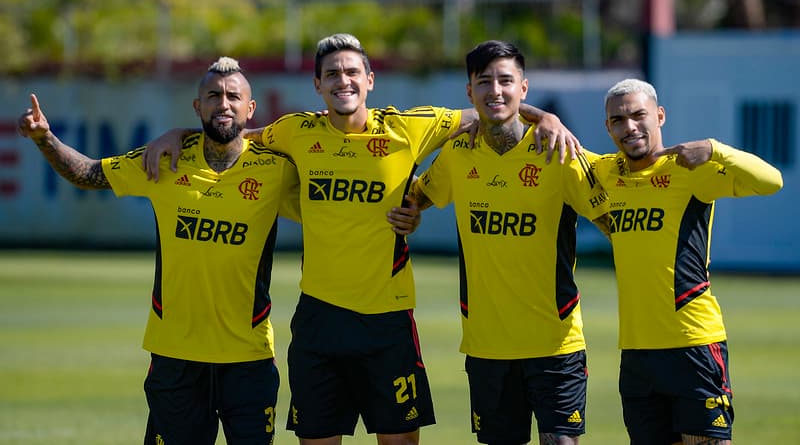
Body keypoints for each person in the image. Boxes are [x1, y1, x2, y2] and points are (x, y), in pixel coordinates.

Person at [142, 33, 581, 445]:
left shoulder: (409, 127)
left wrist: (544, 116)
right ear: (317, 84)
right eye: (331, 73)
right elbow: (234, 134)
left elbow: (493, 108)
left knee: (399, 439)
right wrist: (179, 133)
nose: (342, 80)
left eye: (351, 71)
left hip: (387, 321)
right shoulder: (296, 131)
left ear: (370, 80)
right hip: (319, 320)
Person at [17, 57, 303, 445]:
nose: (224, 104)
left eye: (234, 96)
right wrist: (44, 138)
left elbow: (334, 194)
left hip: (248, 358)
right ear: (197, 106)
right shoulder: (164, 160)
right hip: (175, 356)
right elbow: (88, 172)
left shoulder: (277, 170)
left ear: (250, 108)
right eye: (213, 96)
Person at [406, 40, 609, 445]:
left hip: (556, 341)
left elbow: (613, 222)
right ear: (469, 92)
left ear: (524, 88)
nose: (495, 91)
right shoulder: (457, 154)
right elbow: (419, 196)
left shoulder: (559, 151)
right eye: (484, 82)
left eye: (505, 81)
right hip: (487, 344)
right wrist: (407, 211)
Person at [593, 78, 783, 445]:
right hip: (636, 352)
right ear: (608, 127)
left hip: (692, 343)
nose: (629, 127)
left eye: (638, 115)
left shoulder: (691, 171)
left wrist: (715, 149)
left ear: (659, 116)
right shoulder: (605, 173)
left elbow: (771, 181)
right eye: (618, 120)